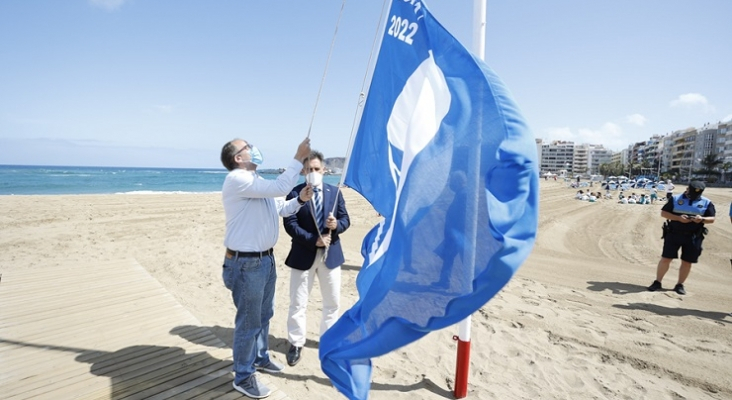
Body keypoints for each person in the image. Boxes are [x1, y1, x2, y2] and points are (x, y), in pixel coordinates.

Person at [220, 137, 313, 399]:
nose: (253, 148)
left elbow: (282, 208)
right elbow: (282, 186)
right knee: (249, 322)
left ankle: (260, 358)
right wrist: (298, 156)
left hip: (265, 260)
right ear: (238, 158)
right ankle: (243, 375)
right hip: (246, 262)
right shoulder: (238, 179)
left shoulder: (258, 184)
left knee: (264, 315)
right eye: (246, 147)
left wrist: (301, 200)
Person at [283, 151, 350, 367]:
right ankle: (295, 343)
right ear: (303, 171)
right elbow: (290, 224)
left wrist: (336, 226)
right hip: (303, 254)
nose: (313, 173)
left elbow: (345, 219)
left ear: (324, 170)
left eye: (316, 169)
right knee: (298, 302)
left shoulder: (335, 192)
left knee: (332, 303)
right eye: (309, 169)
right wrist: (314, 240)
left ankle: (328, 342)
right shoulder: (295, 193)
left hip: (331, 256)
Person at [648, 181, 715, 295]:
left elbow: (712, 218)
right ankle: (657, 282)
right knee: (666, 259)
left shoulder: (706, 202)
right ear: (687, 189)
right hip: (674, 234)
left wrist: (701, 219)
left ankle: (680, 285)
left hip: (694, 236)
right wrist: (678, 218)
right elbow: (664, 213)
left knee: (687, 262)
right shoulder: (675, 199)